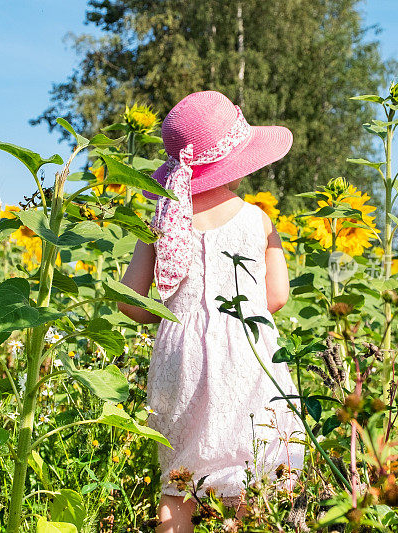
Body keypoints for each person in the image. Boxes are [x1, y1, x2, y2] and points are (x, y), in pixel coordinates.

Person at [117, 90, 305, 532]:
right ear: (236, 161)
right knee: (249, 473)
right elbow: (277, 297)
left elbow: (130, 301)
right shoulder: (257, 219)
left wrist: (171, 316)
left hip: (178, 361)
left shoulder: (162, 221)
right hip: (247, 354)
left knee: (178, 480)